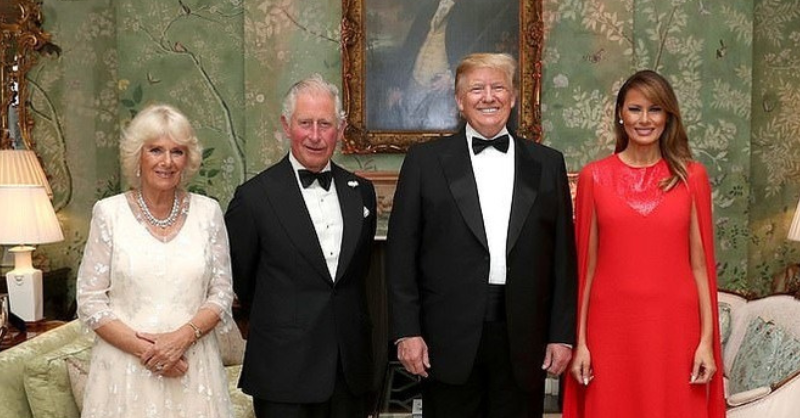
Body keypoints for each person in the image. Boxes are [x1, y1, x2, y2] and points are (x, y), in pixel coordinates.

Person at [387, 52, 577, 418]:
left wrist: (561, 334)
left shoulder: (547, 163)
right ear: (459, 101)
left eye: (498, 87)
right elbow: (401, 256)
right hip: (445, 341)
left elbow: (562, 260)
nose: (488, 97)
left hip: (524, 339)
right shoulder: (425, 162)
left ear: (513, 97)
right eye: (476, 89)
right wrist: (407, 332)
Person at [562, 70, 726, 418]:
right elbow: (586, 269)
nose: (645, 119)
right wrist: (581, 343)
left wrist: (706, 343)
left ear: (668, 116)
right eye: (635, 109)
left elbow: (701, 267)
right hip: (610, 329)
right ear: (620, 114)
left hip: (675, 329)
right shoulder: (594, 176)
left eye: (655, 109)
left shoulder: (691, 176)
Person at [225, 74, 377, 418]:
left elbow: (358, 275)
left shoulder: (361, 192)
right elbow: (241, 280)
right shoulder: (254, 198)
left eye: (325, 124)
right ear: (286, 126)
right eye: (305, 123)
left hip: (349, 370)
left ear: (340, 129)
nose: (315, 135)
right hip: (283, 371)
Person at [76, 104, 235, 417]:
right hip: (125, 371)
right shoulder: (109, 213)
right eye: (156, 150)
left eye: (177, 151)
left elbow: (221, 293)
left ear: (187, 159)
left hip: (193, 368)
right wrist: (152, 352)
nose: (167, 161)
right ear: (138, 156)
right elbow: (90, 301)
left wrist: (182, 339)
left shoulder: (208, 212)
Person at [368, 0, 518, 130]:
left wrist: (453, 76)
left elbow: (480, 48)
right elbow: (411, 45)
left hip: (444, 88)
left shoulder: (475, 9)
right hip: (414, 84)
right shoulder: (428, 7)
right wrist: (397, 85)